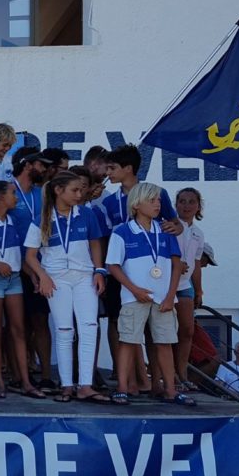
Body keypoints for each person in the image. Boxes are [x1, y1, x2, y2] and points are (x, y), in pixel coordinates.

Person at [98, 144, 183, 390]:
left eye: (112, 168)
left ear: (128, 168)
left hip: (156, 275)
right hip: (123, 272)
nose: (107, 173)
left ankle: (157, 383)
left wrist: (177, 229)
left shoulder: (156, 193)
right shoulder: (109, 201)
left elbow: (174, 224)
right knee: (120, 324)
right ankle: (128, 381)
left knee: (155, 333)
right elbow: (104, 238)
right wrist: (101, 270)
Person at [24, 171, 109, 403]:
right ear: (58, 190)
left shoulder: (87, 214)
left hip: (84, 276)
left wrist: (99, 271)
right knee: (64, 330)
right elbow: (30, 255)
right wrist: (43, 276)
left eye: (81, 190)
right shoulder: (42, 218)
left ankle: (85, 385)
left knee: (89, 327)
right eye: (75, 190)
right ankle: (67, 386)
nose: (79, 194)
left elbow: (95, 243)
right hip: (56, 279)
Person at [106, 182, 190, 406]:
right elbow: (113, 265)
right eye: (152, 200)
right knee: (128, 341)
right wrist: (134, 289)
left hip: (163, 298)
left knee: (165, 342)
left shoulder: (165, 230)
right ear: (136, 204)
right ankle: (122, 388)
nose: (157, 204)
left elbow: (176, 264)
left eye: (159, 200)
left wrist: (171, 296)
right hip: (134, 297)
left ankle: (170, 389)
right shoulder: (122, 231)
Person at [0, 180, 39, 400]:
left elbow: (20, 254)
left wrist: (32, 274)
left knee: (18, 329)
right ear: (0, 197)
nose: (17, 197)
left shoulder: (14, 221)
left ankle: (25, 382)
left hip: (14, 278)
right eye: (13, 193)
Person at [8, 147, 54, 387]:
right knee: (17, 324)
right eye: (41, 165)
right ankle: (19, 375)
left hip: (41, 266)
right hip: (14, 267)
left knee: (40, 320)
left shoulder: (43, 194)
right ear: (27, 165)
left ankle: (46, 376)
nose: (44, 169)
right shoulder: (7, 191)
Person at [173, 187, 206, 387]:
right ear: (176, 204)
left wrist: (199, 290)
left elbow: (196, 263)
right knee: (166, 331)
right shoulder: (169, 226)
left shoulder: (198, 233)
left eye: (191, 201)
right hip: (166, 285)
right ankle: (169, 374)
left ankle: (182, 373)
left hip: (185, 285)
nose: (186, 205)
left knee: (187, 330)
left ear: (198, 206)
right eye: (182, 201)